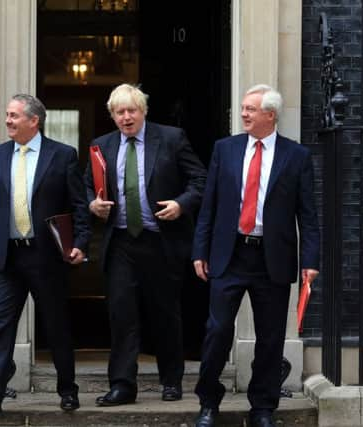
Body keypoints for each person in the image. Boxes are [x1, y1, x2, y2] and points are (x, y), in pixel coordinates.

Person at [191, 85, 320, 427]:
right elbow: (210, 205)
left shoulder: (297, 156)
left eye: (251, 109)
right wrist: (199, 251)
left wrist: (310, 261)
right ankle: (208, 401)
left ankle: (263, 407)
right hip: (228, 254)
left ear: (270, 115)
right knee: (217, 331)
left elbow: (308, 215)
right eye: (243, 108)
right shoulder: (226, 149)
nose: (244, 114)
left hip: (271, 258)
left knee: (270, 336)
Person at [0, 94, 90, 416]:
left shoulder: (62, 155)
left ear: (34, 121)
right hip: (9, 258)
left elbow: (78, 207)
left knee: (56, 325)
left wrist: (80, 243)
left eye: (14, 116)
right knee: (1, 326)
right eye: (7, 114)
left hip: (47, 257)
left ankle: (68, 391)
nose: (8, 121)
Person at [86, 83, 207, 406]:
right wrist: (92, 205)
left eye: (132, 111)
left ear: (144, 112)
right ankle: (123, 385)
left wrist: (181, 204)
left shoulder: (170, 138)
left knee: (165, 313)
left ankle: (171, 380)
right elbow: (87, 187)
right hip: (121, 241)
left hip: (161, 240)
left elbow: (200, 180)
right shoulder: (102, 146)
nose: (126, 117)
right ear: (112, 116)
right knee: (122, 314)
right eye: (119, 112)